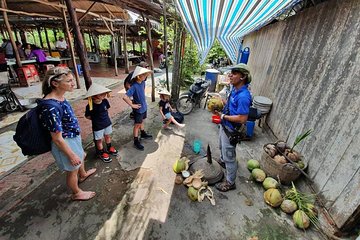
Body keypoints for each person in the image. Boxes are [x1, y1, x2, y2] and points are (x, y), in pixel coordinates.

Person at [39, 67, 96, 201]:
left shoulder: (60, 97)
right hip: (65, 141)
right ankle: (76, 192)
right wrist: (70, 155)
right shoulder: (50, 107)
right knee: (72, 168)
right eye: (69, 81)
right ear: (55, 83)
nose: (73, 83)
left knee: (81, 157)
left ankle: (82, 175)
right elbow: (57, 139)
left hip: (72, 136)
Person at [214, 63, 252, 192]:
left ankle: (230, 182)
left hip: (231, 130)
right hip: (224, 127)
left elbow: (242, 118)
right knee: (221, 147)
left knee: (230, 156)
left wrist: (223, 116)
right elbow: (232, 107)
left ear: (243, 77)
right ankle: (223, 161)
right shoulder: (235, 90)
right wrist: (221, 101)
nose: (230, 75)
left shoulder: (244, 96)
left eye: (234, 73)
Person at [85, 83, 118, 163]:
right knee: (99, 140)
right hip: (98, 126)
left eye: (104, 93)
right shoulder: (90, 105)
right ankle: (102, 153)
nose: (104, 94)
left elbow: (107, 110)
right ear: (94, 95)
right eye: (101, 94)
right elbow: (87, 116)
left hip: (107, 123)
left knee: (107, 136)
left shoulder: (105, 101)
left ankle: (109, 148)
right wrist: (96, 120)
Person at [122, 66, 153, 151]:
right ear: (139, 76)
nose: (146, 76)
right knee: (137, 125)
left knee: (142, 121)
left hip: (143, 106)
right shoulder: (134, 86)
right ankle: (136, 141)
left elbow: (141, 93)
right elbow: (125, 97)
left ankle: (143, 133)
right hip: (138, 109)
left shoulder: (143, 83)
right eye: (144, 75)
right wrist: (132, 105)